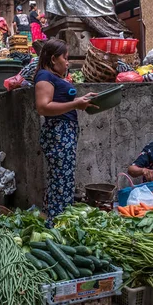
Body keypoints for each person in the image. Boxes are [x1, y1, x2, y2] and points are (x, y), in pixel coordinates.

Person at [35, 39, 98, 224]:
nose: (67, 62)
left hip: (65, 131)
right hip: (58, 132)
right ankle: (56, 222)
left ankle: (51, 219)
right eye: (65, 57)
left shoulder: (53, 77)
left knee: (63, 178)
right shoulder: (44, 77)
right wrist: (76, 104)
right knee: (61, 180)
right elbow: (43, 107)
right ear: (54, 59)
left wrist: (81, 100)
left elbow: (61, 101)